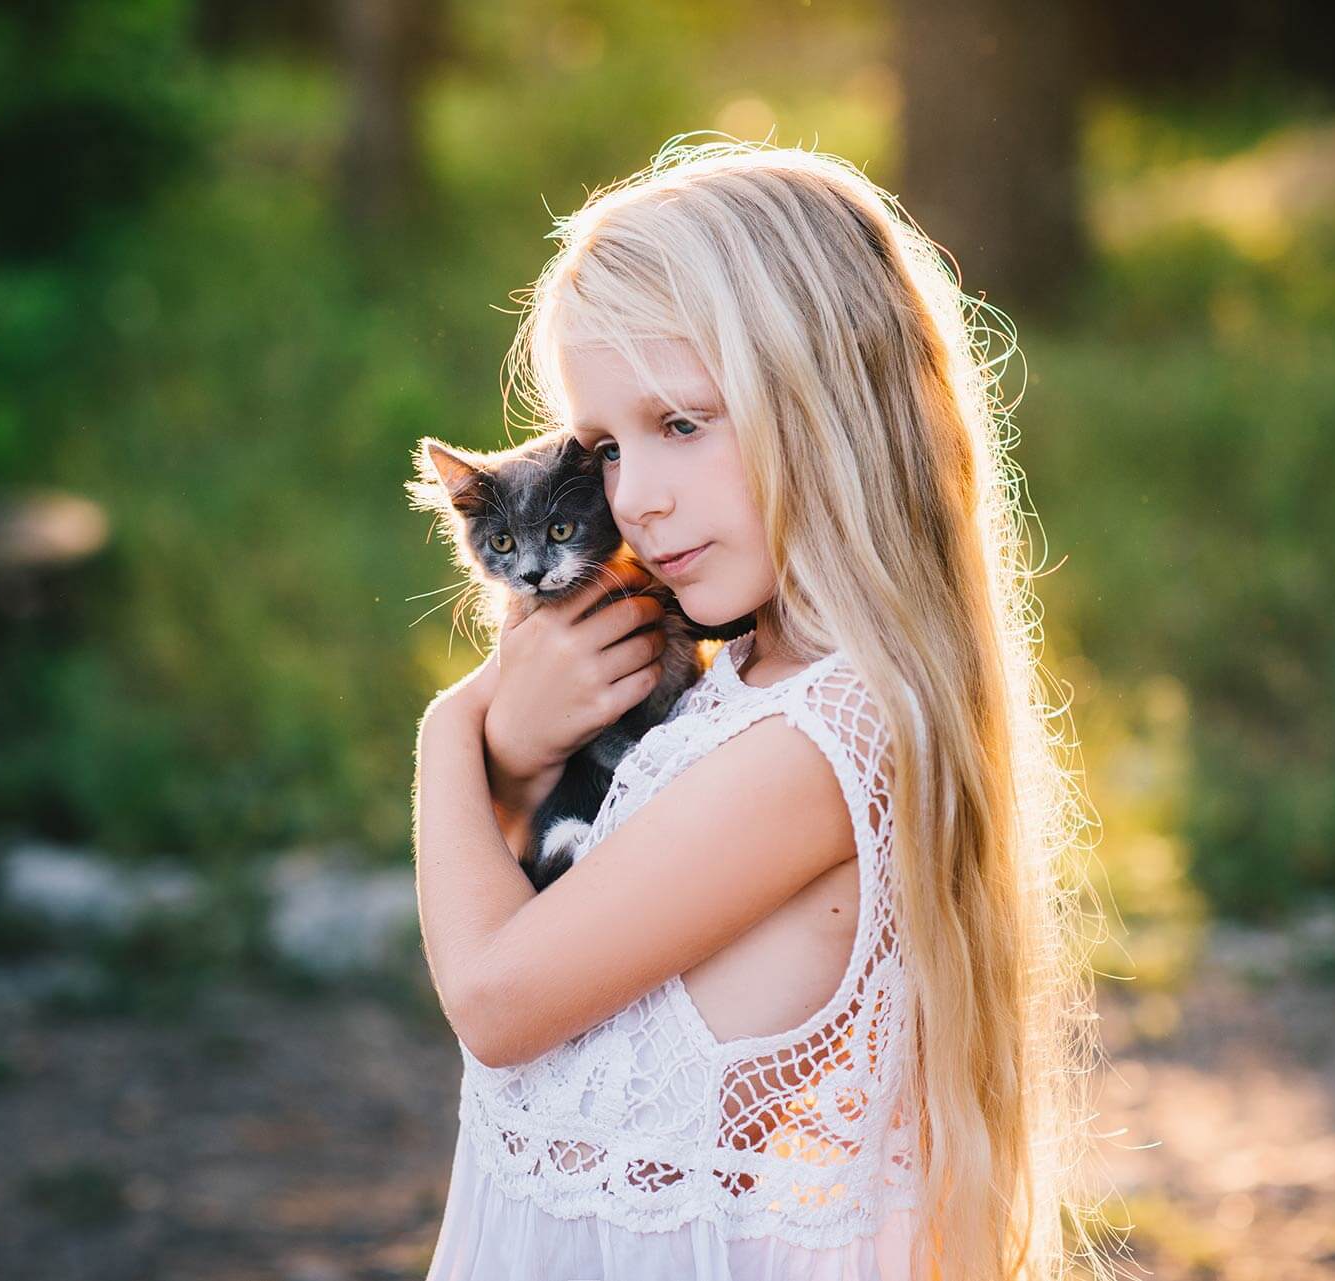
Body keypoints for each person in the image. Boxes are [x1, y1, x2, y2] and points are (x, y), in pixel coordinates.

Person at [412, 137, 1112, 1281]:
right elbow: (536, 936)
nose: (634, 497)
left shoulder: (817, 744)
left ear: (830, 406)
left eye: (682, 424)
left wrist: (458, 728)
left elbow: (495, 1000)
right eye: (602, 448)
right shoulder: (732, 688)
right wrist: (524, 762)